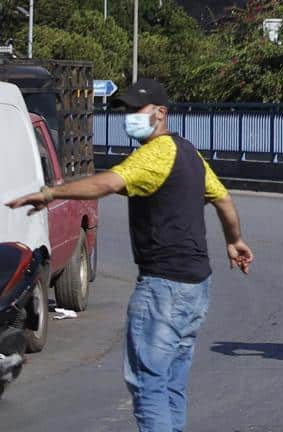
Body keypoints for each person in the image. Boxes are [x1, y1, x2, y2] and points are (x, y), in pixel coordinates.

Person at [7, 77, 252, 432]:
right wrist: (235, 240)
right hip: (196, 286)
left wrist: (48, 194)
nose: (130, 118)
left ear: (160, 113)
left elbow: (109, 182)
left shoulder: (154, 154)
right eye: (127, 111)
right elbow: (222, 198)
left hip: (163, 288)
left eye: (138, 110)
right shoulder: (188, 152)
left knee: (148, 383)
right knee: (171, 383)